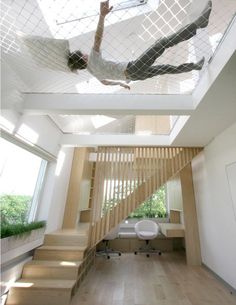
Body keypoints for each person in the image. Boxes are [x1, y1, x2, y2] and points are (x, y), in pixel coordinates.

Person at [68, 0, 212, 90]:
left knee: (166, 68)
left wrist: (121, 84)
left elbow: (104, 83)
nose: (85, 54)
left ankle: (195, 66)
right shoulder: (92, 60)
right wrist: (102, 16)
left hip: (135, 76)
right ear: (83, 59)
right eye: (83, 55)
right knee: (160, 44)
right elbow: (97, 38)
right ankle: (198, 25)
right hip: (133, 68)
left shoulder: (92, 73)